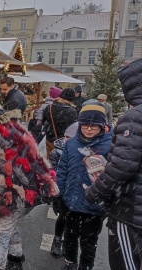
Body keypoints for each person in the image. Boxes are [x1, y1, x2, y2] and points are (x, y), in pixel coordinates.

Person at [0, 108, 58, 270]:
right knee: (11, 222)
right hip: (36, 183)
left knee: (1, 230)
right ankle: (15, 259)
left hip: (15, 189)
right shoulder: (12, 127)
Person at [85, 58, 142, 270]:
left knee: (125, 264)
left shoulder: (134, 117)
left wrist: (95, 192)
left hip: (129, 210)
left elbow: (122, 167)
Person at [56, 102, 111, 270]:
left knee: (89, 242)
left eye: (93, 126)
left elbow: (115, 175)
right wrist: (59, 194)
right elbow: (63, 169)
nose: (88, 129)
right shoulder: (72, 144)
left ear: (102, 126)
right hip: (72, 200)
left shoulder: (110, 145)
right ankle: (70, 263)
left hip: (95, 204)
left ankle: (85, 266)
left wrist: (108, 202)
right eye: (85, 125)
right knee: (70, 237)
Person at [49, 122, 79, 257]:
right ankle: (57, 239)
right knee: (62, 216)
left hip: (76, 190)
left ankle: (69, 242)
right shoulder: (57, 152)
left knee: (74, 220)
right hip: (62, 190)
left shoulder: (82, 150)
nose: (67, 140)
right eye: (66, 137)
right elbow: (53, 172)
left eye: (70, 138)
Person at [41, 88, 78, 158]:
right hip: (64, 141)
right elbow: (72, 128)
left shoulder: (50, 107)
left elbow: (44, 122)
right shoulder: (72, 111)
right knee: (62, 161)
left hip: (50, 138)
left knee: (49, 160)